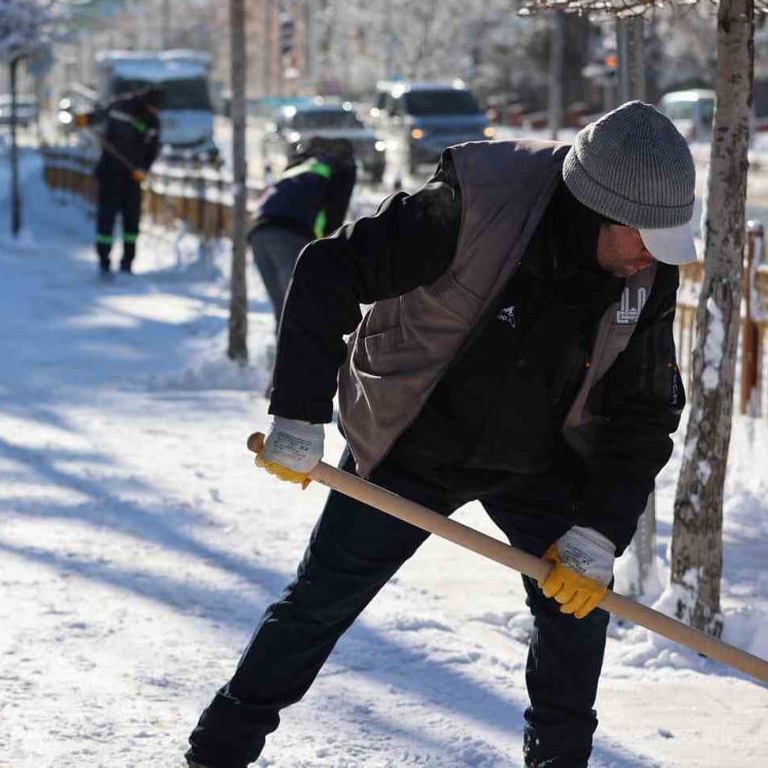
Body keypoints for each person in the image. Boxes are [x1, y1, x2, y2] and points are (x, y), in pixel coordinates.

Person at [185, 101, 697, 768]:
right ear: (605, 209)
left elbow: (644, 410)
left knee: (575, 614)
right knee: (319, 605)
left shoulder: (644, 271)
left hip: (540, 456)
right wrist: (298, 412)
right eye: (646, 238)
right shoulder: (475, 205)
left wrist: (598, 532)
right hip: (414, 439)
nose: (653, 258)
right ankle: (217, 752)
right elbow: (325, 271)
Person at [250, 137, 357, 331]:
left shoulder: (299, 167)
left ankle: (280, 358)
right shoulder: (341, 170)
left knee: (283, 311)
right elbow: (335, 214)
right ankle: (301, 360)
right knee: (298, 310)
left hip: (258, 233)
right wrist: (328, 250)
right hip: (289, 234)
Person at [75, 86, 162, 278]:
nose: (155, 112)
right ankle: (104, 260)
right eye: (153, 108)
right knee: (106, 219)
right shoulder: (120, 107)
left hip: (132, 178)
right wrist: (85, 119)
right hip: (110, 173)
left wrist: (143, 169)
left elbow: (153, 150)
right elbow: (100, 115)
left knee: (132, 222)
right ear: (146, 103)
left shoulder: (153, 122)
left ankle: (127, 262)